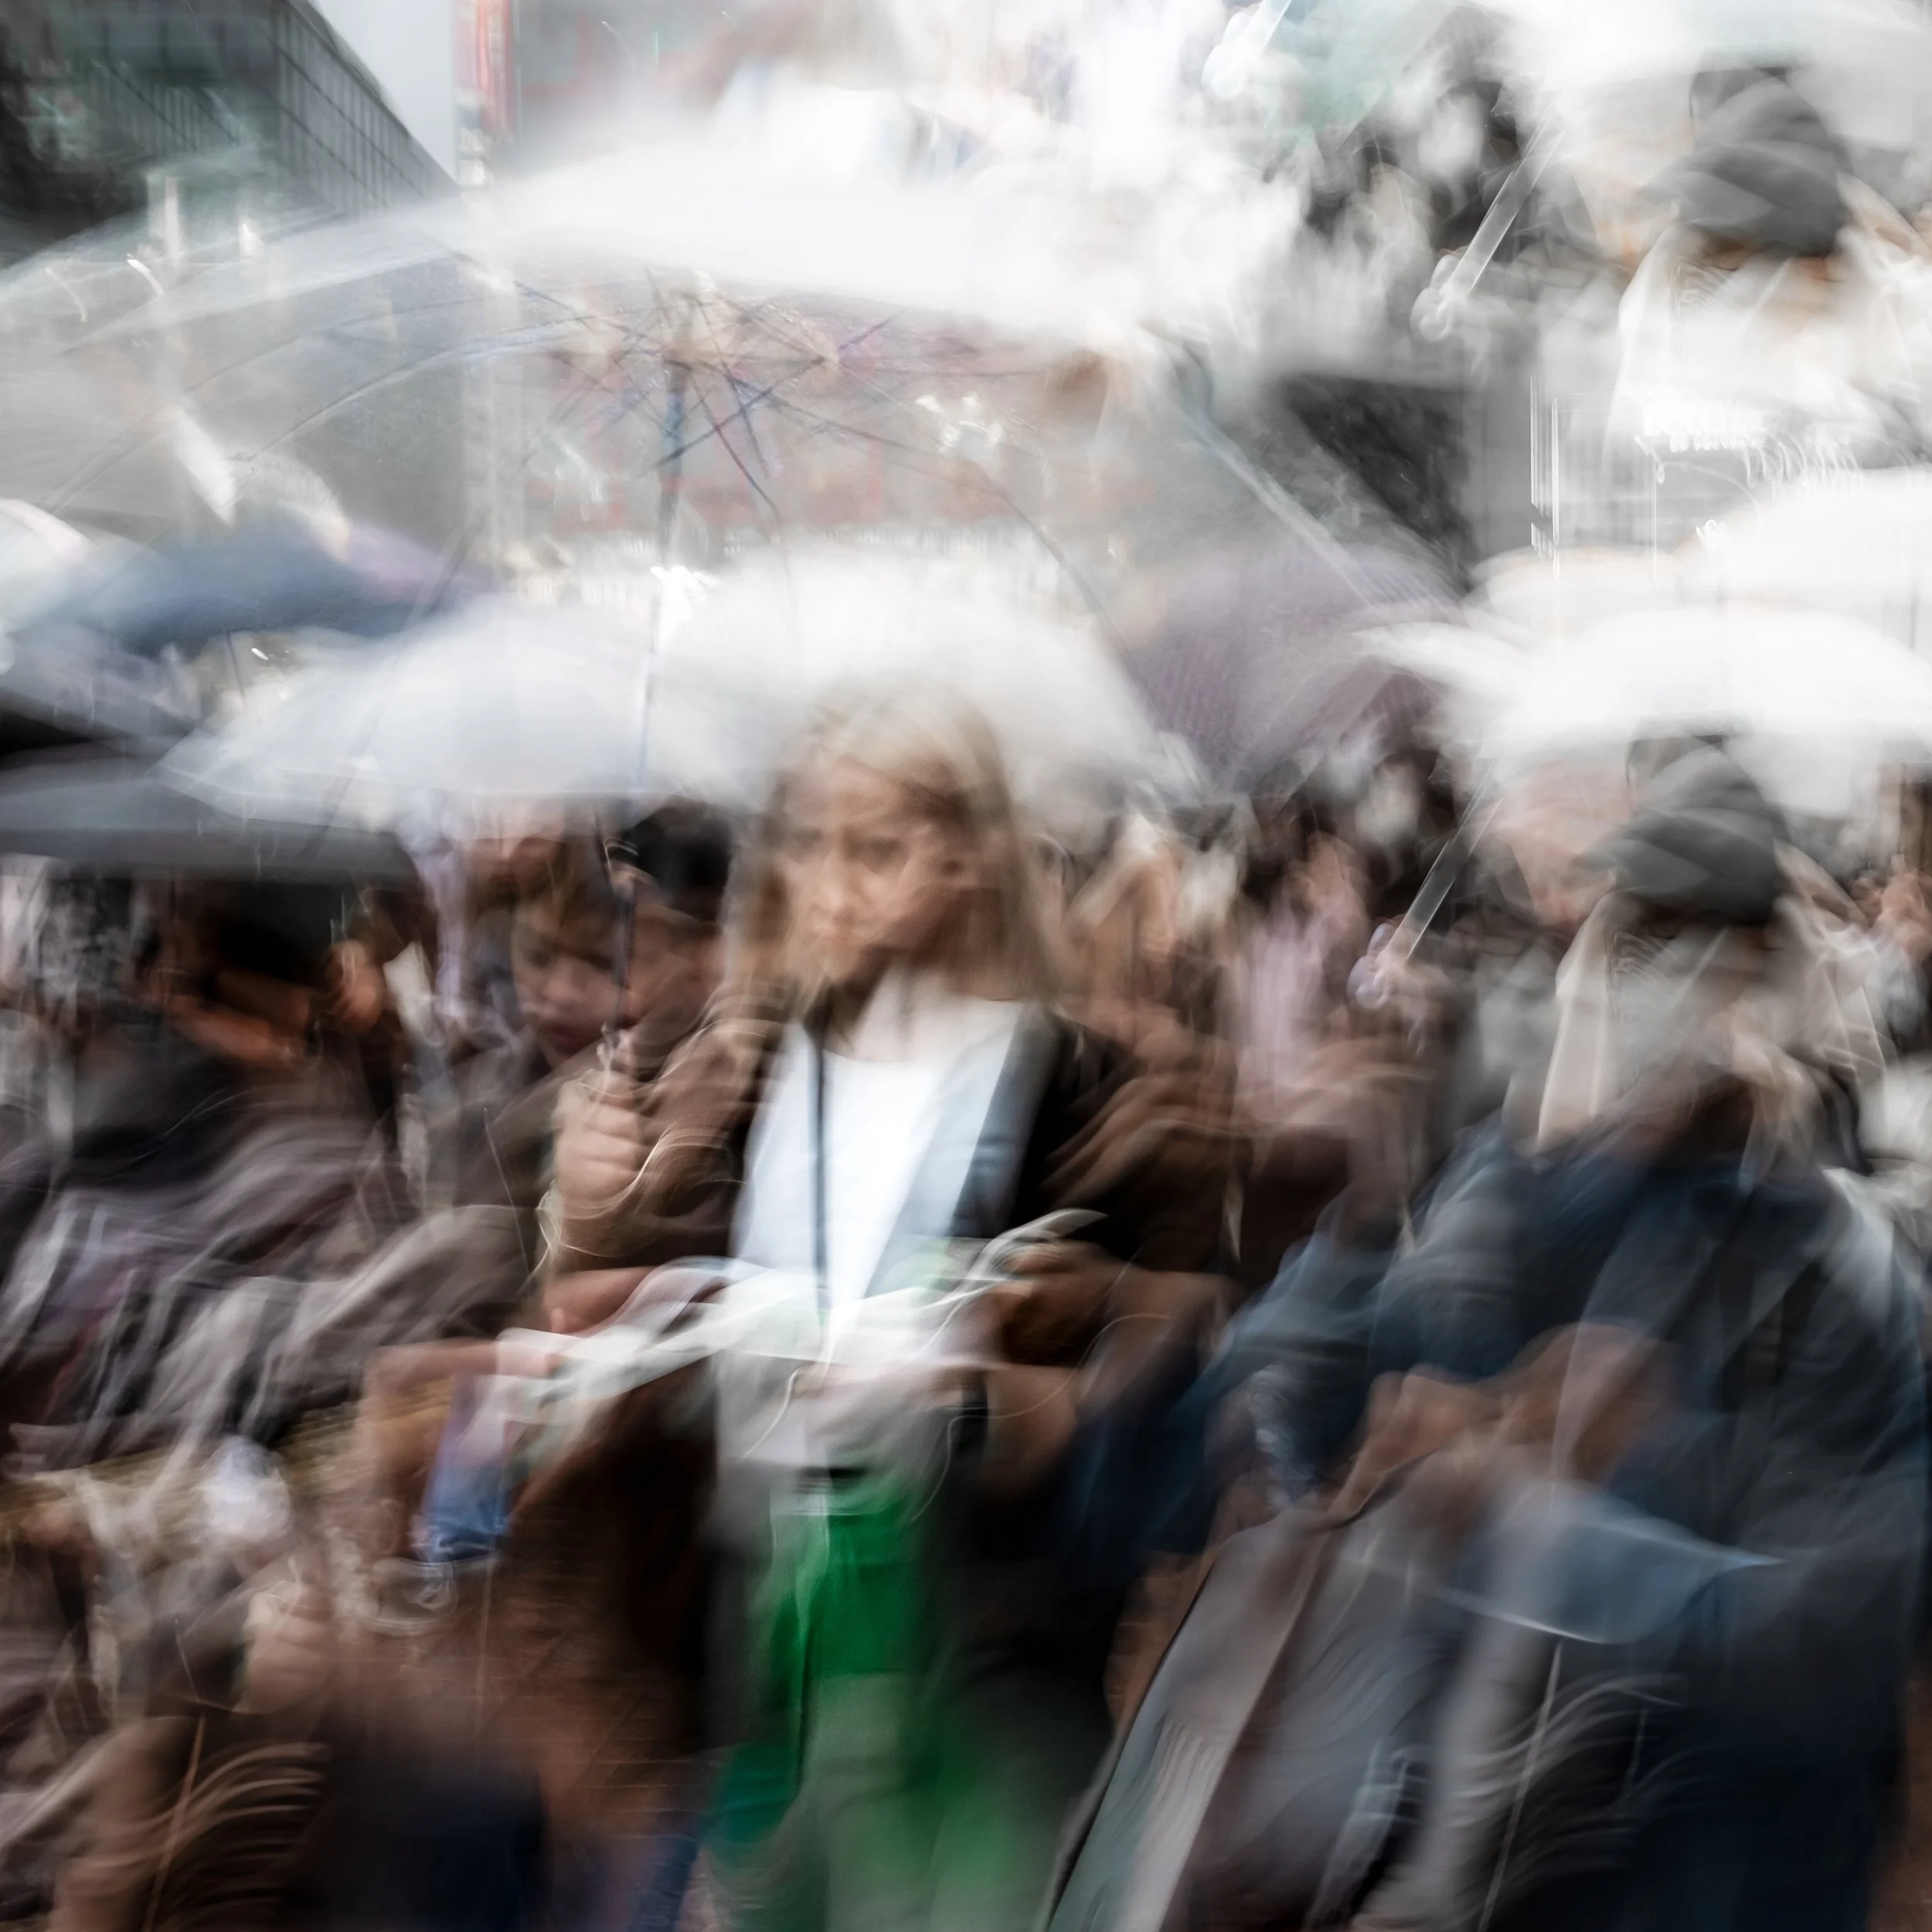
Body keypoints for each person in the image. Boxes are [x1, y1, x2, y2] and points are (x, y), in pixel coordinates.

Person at [523, 689, 1231, 1931]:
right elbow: (617, 1316)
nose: (833, 885)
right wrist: (596, 1216)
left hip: (985, 1664)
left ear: (964, 859)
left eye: (877, 848)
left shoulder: (1088, 1090)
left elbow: (1162, 1395)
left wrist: (1001, 1389)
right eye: (807, 842)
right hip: (764, 1644)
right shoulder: (741, 1075)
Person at [1193, 749, 1923, 1931]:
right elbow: (1289, 1390)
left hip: (1714, 1876)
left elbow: (1831, 1647)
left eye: (1699, 949)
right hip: (1455, 1849)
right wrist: (1370, 1221)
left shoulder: (1844, 1276)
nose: (1654, 989)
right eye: (1634, 939)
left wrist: (1530, 1515)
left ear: (1767, 978)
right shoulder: (1517, 1185)